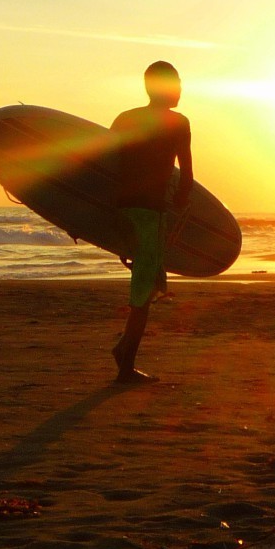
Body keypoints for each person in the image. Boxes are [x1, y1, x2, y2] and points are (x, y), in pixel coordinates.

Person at [109, 60, 192, 383]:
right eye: (178, 83)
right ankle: (125, 363)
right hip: (150, 214)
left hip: (122, 210)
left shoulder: (125, 119)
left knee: (146, 282)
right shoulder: (178, 123)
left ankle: (124, 350)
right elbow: (185, 174)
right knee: (144, 290)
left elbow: (106, 165)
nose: (181, 89)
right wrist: (182, 204)